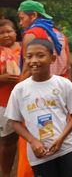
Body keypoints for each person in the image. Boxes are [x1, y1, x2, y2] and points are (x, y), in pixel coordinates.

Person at [5, 39, 72, 177]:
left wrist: (61, 139)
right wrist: (33, 141)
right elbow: (14, 122)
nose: (34, 60)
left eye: (40, 55)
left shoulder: (64, 85)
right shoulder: (20, 90)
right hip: (39, 155)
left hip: (66, 148)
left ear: (52, 58)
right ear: (25, 59)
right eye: (29, 56)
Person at [17, 0, 70, 79]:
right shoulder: (59, 34)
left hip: (41, 84)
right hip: (61, 83)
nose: (20, 23)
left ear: (33, 15)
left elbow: (27, 70)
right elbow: (68, 66)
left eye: (22, 18)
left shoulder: (31, 34)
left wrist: (19, 89)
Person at [0, 45, 20, 176]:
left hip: (18, 101)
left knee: (12, 139)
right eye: (2, 32)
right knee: (7, 140)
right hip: (3, 102)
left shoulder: (20, 48)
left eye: (9, 31)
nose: (6, 35)